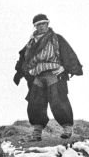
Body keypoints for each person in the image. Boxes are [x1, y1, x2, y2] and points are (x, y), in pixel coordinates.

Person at [12, 13, 83, 142]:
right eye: (39, 25)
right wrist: (20, 72)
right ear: (35, 27)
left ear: (48, 24)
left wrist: (65, 68)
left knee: (58, 101)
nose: (42, 26)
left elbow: (69, 54)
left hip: (54, 74)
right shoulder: (31, 43)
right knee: (35, 103)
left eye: (44, 23)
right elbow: (24, 58)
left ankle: (67, 128)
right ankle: (37, 131)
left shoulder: (57, 39)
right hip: (37, 76)